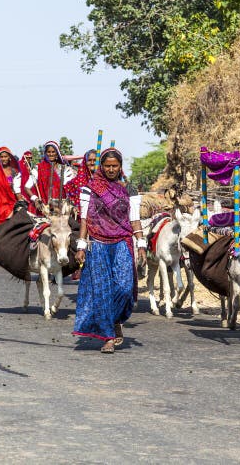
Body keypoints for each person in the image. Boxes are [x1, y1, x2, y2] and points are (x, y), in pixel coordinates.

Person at [73, 148, 146, 354]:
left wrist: (141, 243)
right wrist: (81, 245)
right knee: (103, 291)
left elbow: (134, 218)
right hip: (97, 243)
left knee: (124, 287)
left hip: (122, 241)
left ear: (120, 166)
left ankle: (115, 320)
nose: (111, 169)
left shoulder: (129, 189)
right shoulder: (90, 188)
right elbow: (85, 219)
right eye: (107, 166)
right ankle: (108, 337)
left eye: (115, 166)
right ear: (101, 167)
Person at [24, 140, 65, 214]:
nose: (51, 154)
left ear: (57, 154)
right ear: (45, 153)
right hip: (44, 209)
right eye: (48, 152)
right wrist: (35, 199)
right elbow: (27, 187)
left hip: (61, 209)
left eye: (53, 152)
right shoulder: (38, 168)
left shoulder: (63, 169)